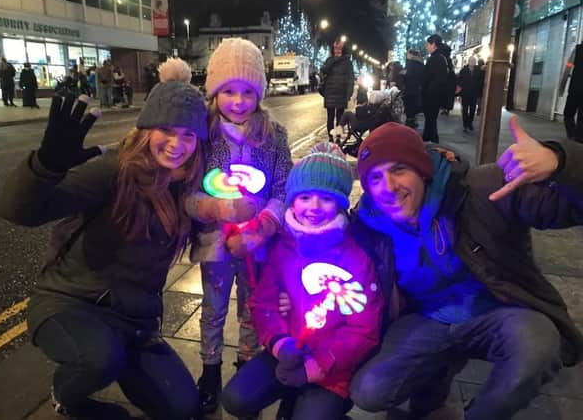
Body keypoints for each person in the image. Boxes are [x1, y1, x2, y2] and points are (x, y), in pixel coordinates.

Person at [0, 58, 208, 420]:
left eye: (189, 134)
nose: (178, 144)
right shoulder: (115, 170)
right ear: (146, 130)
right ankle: (67, 394)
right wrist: (45, 165)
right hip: (72, 304)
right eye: (167, 131)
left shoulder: (184, 186)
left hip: (134, 323)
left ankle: (117, 358)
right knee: (99, 359)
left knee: (182, 408)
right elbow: (20, 211)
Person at [348, 120, 583, 420]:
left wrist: (560, 162)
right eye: (375, 178)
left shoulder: (483, 189)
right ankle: (431, 398)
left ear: (422, 170)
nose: (389, 187)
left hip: (498, 313)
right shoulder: (368, 223)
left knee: (536, 345)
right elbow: (327, 250)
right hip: (426, 319)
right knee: (369, 391)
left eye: (399, 170)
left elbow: (572, 207)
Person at [221, 142, 384, 420]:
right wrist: (279, 343)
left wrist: (318, 366)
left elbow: (364, 328)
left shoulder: (355, 256)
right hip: (287, 351)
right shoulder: (283, 246)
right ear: (292, 199)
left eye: (326, 198)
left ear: (341, 202)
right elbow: (263, 302)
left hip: (332, 368)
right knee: (235, 399)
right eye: (305, 197)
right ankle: (292, 400)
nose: (314, 207)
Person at [184, 37, 293, 415]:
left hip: (257, 244)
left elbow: (283, 187)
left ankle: (246, 366)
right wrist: (216, 208)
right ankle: (210, 371)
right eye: (228, 91)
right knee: (213, 309)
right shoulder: (203, 134)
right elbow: (189, 192)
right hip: (215, 243)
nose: (238, 101)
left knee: (252, 308)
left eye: (247, 92)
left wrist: (262, 226)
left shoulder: (274, 135)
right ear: (214, 92)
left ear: (259, 93)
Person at [321, 41, 354, 141]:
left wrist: (349, 93)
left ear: (343, 49)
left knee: (340, 118)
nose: (337, 51)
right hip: (330, 93)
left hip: (342, 93)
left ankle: (338, 137)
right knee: (330, 117)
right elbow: (324, 71)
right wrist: (333, 60)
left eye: (340, 48)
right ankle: (331, 137)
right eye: (335, 48)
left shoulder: (347, 62)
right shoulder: (329, 60)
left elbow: (350, 78)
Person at [421, 35, 447, 142]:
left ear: (434, 44)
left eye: (428, 44)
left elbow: (428, 77)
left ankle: (432, 139)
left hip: (431, 95)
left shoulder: (434, 59)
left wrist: (425, 90)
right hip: (436, 94)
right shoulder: (442, 58)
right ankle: (427, 137)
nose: (427, 47)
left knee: (430, 118)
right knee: (431, 119)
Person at [564, 43, 583, 142]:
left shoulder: (578, 49)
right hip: (575, 89)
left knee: (568, 113)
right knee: (581, 116)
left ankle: (572, 134)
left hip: (575, 88)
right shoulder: (578, 49)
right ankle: (579, 137)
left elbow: (568, 66)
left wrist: (562, 86)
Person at [458, 56, 482, 132]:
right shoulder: (463, 70)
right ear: (468, 62)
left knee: (472, 109)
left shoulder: (478, 70)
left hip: (474, 93)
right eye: (471, 61)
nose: (472, 62)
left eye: (474, 61)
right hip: (465, 93)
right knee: (464, 110)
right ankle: (465, 124)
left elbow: (481, 80)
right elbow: (459, 80)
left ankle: (470, 122)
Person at [403, 49, 424, 129]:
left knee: (409, 107)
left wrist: (403, 74)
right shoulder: (421, 64)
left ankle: (409, 123)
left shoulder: (409, 64)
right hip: (418, 89)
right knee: (414, 107)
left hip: (409, 89)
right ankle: (413, 121)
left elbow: (407, 75)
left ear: (411, 55)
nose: (407, 56)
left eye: (407, 54)